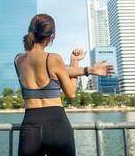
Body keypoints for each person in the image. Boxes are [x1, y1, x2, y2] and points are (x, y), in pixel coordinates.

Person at [14, 14, 115, 156]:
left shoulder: (18, 60)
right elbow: (71, 93)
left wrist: (89, 69)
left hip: (30, 126)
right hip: (57, 124)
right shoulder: (54, 58)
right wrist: (77, 64)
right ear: (50, 37)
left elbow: (52, 69)